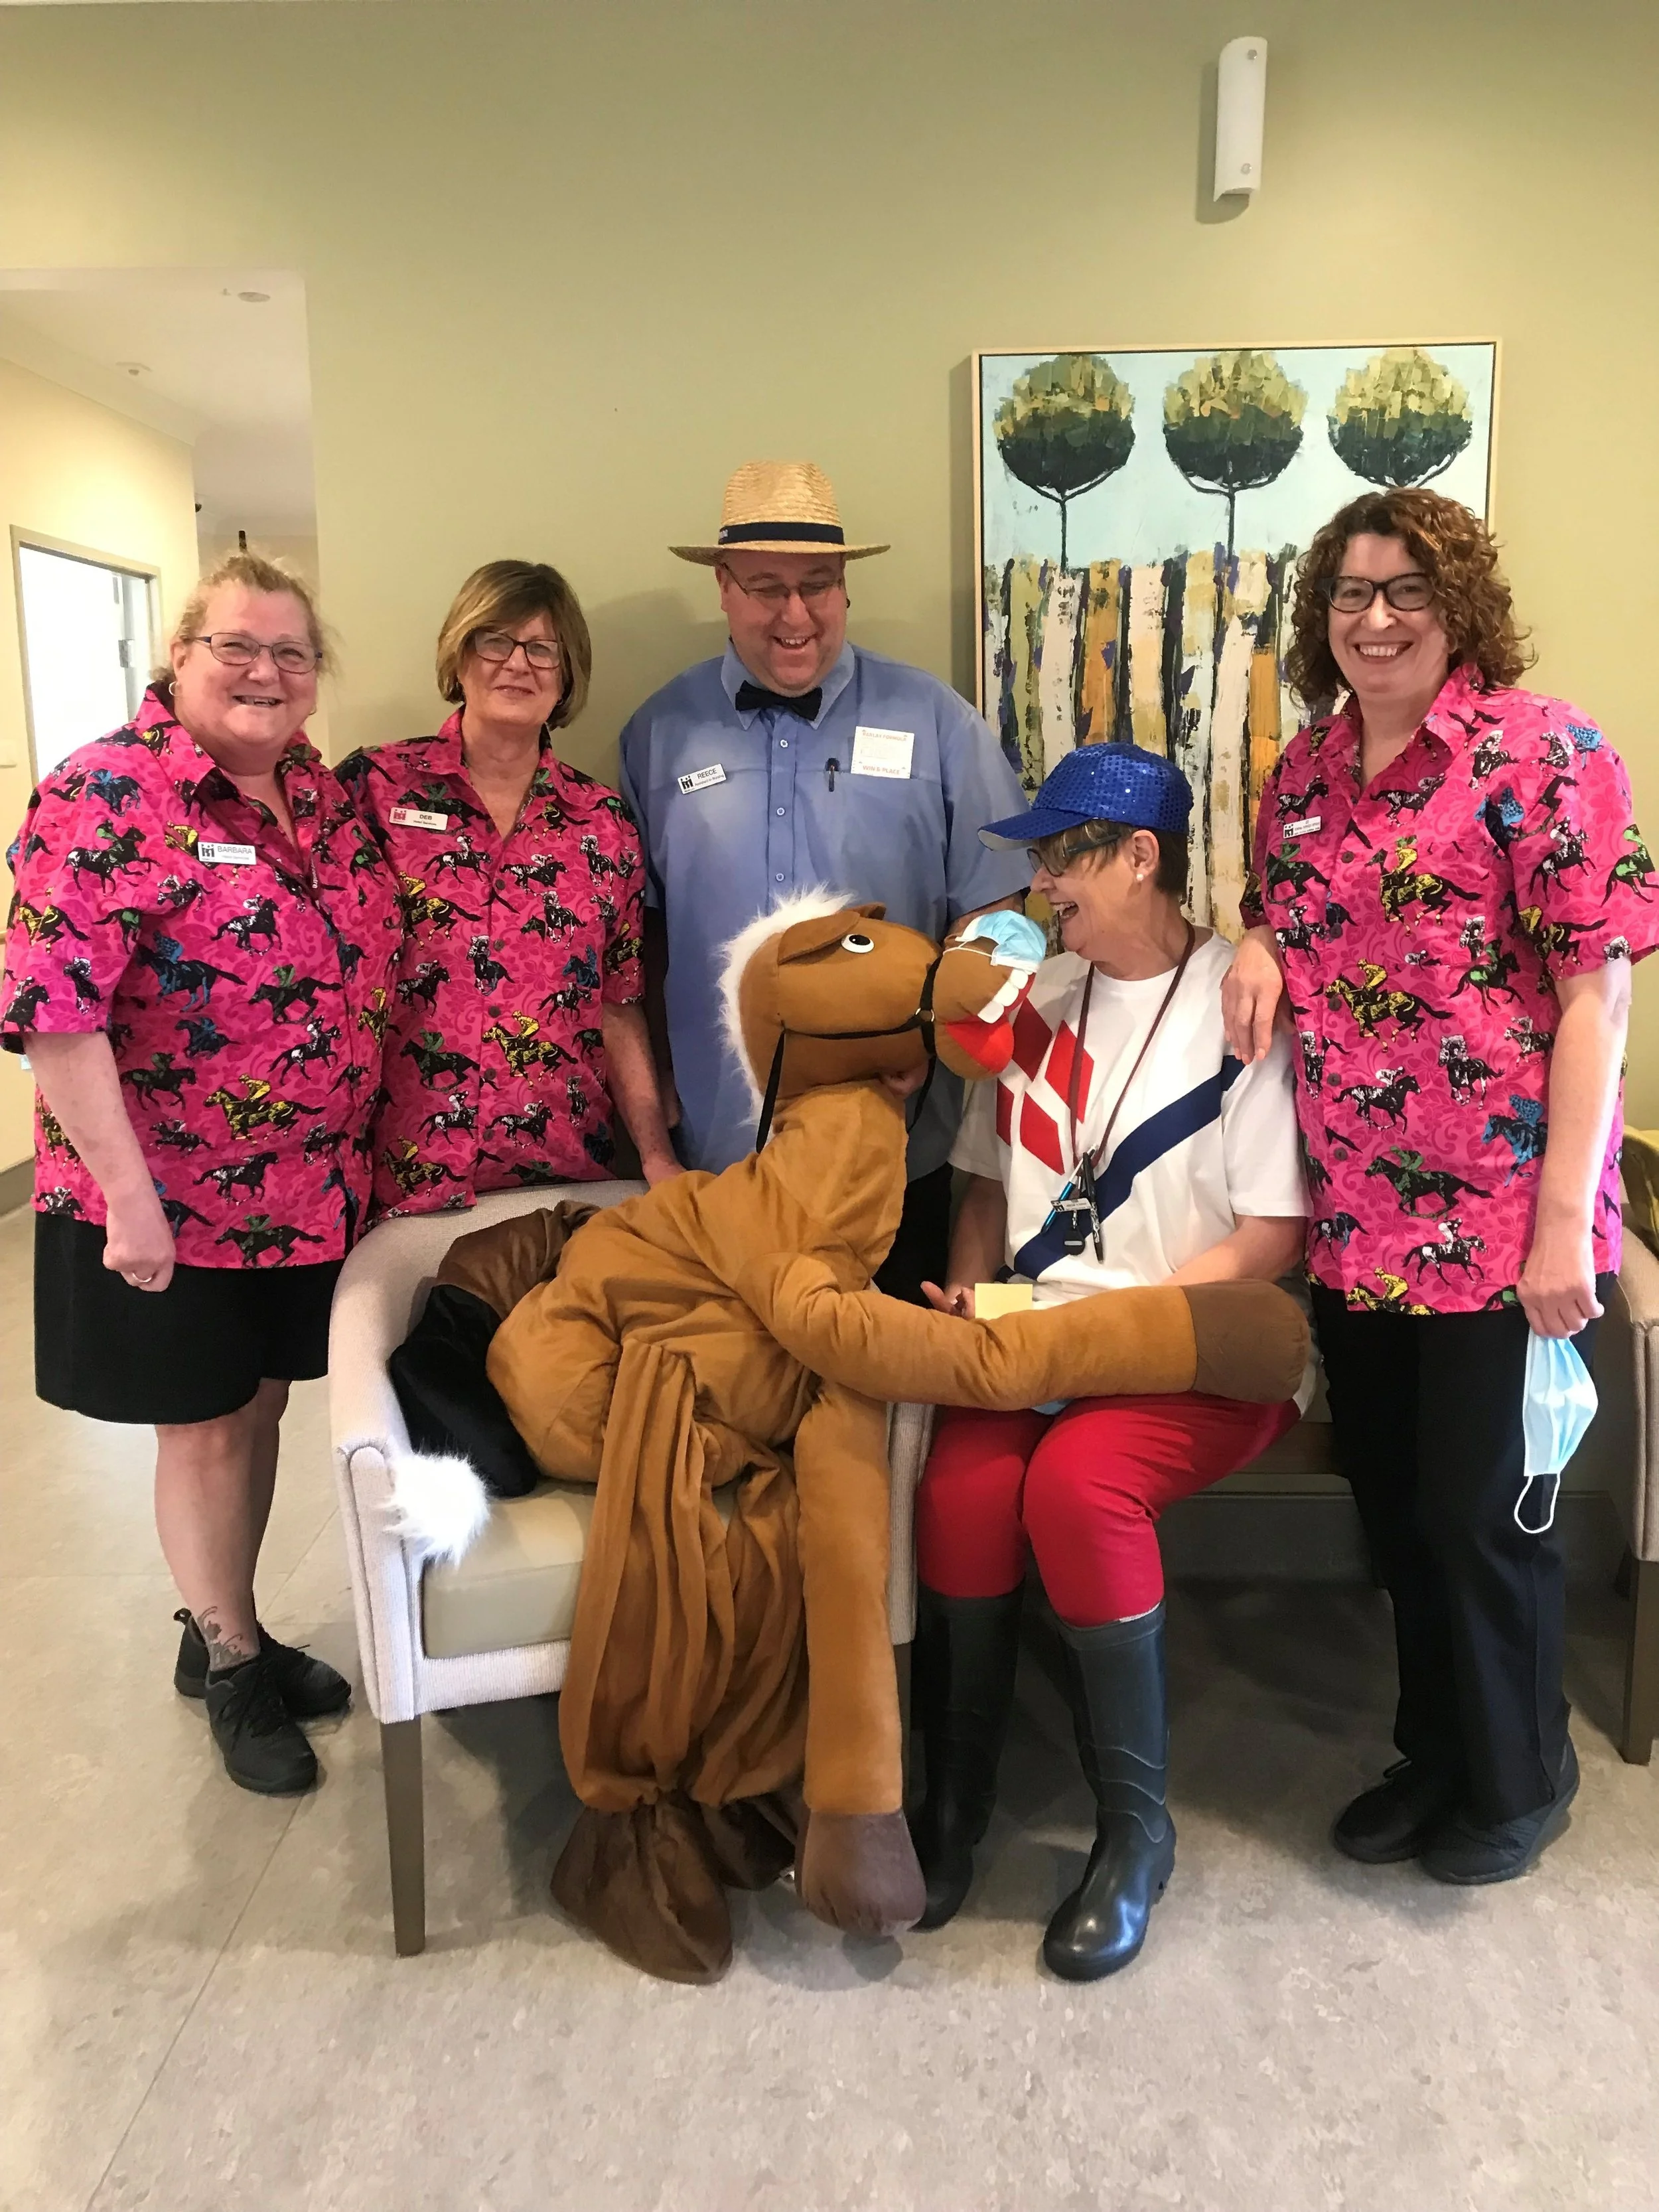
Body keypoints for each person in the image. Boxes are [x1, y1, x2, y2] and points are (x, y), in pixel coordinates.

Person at [1224, 488, 1658, 1884]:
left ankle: (1519, 1776)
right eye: (1350, 593)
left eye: (1406, 588)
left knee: (1484, 1518)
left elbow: (1595, 996)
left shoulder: (1543, 751)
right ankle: (1436, 1751)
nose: (1376, 617)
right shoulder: (1303, 771)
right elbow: (1282, 911)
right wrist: (1255, 940)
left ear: (1457, 602)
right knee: (1400, 1508)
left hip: (1502, 1226)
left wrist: (1563, 1225)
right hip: (1358, 1224)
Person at [1, 552, 402, 1795]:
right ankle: (230, 1660)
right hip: (169, 1203)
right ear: (179, 656)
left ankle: (229, 1620)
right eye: (236, 645)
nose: (264, 672)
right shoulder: (107, 792)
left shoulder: (319, 796)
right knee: (205, 1430)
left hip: (303, 1194)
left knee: (256, 1408)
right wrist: (128, 1199)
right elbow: (54, 1011)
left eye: (290, 652)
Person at [908, 741, 1309, 1979]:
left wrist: (1109, 1334)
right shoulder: (1034, 999)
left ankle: (1136, 1833)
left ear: (1140, 856)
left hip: (1192, 1348)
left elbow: (1274, 1234)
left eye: (1060, 857)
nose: (1041, 884)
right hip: (1033, 1336)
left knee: (1077, 1489)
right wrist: (973, 1292)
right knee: (961, 1491)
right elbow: (983, 1182)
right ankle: (956, 1795)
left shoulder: (1239, 1004)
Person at [618, 461, 1030, 1301]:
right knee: (727, 1368)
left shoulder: (938, 723)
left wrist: (933, 1039)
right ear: (723, 588)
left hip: (891, 1152)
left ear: (845, 587)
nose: (795, 615)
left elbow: (1001, 914)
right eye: (767, 588)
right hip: (719, 1156)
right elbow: (637, 939)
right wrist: (657, 1103)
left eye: (817, 585)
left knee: (888, 1371)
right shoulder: (657, 733)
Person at [339, 561, 679, 1216]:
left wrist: (656, 1155)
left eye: (542, 649)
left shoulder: (603, 824)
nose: (518, 664)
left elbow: (618, 1005)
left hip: (561, 1179)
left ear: (567, 673)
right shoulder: (374, 789)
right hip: (401, 1179)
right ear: (459, 653)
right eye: (495, 640)